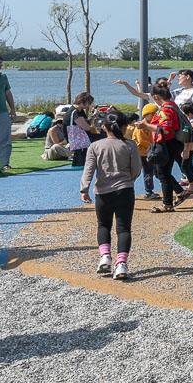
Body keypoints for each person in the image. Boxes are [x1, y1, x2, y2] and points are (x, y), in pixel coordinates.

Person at [80, 110, 142, 281]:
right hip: (125, 190)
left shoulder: (95, 146)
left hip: (102, 192)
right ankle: (121, 264)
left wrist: (84, 189)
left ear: (104, 127)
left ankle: (105, 256)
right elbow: (136, 168)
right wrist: (129, 179)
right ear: (124, 127)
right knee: (123, 228)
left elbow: (89, 170)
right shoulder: (130, 145)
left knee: (103, 226)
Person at [134, 83, 188, 213]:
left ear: (156, 97)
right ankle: (179, 192)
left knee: (162, 173)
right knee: (161, 172)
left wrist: (145, 126)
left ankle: (167, 204)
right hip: (174, 142)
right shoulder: (173, 106)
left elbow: (164, 129)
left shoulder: (165, 110)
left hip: (167, 143)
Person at [128, 106, 158, 199]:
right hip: (141, 153)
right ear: (146, 115)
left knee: (148, 172)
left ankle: (149, 191)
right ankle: (147, 191)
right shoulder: (140, 126)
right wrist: (154, 145)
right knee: (140, 172)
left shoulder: (150, 125)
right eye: (153, 114)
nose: (155, 116)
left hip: (147, 152)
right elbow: (141, 141)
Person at [66, 92, 97, 168]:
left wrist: (92, 118)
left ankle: (82, 163)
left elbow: (86, 123)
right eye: (88, 103)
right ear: (84, 102)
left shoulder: (80, 111)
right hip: (75, 136)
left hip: (78, 136)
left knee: (82, 150)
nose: (89, 105)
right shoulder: (75, 112)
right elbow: (86, 127)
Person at [0, 55, 13, 171]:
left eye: (1, 63)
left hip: (2, 113)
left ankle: (5, 163)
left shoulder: (3, 77)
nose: (1, 66)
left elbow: (8, 94)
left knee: (5, 139)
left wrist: (12, 109)